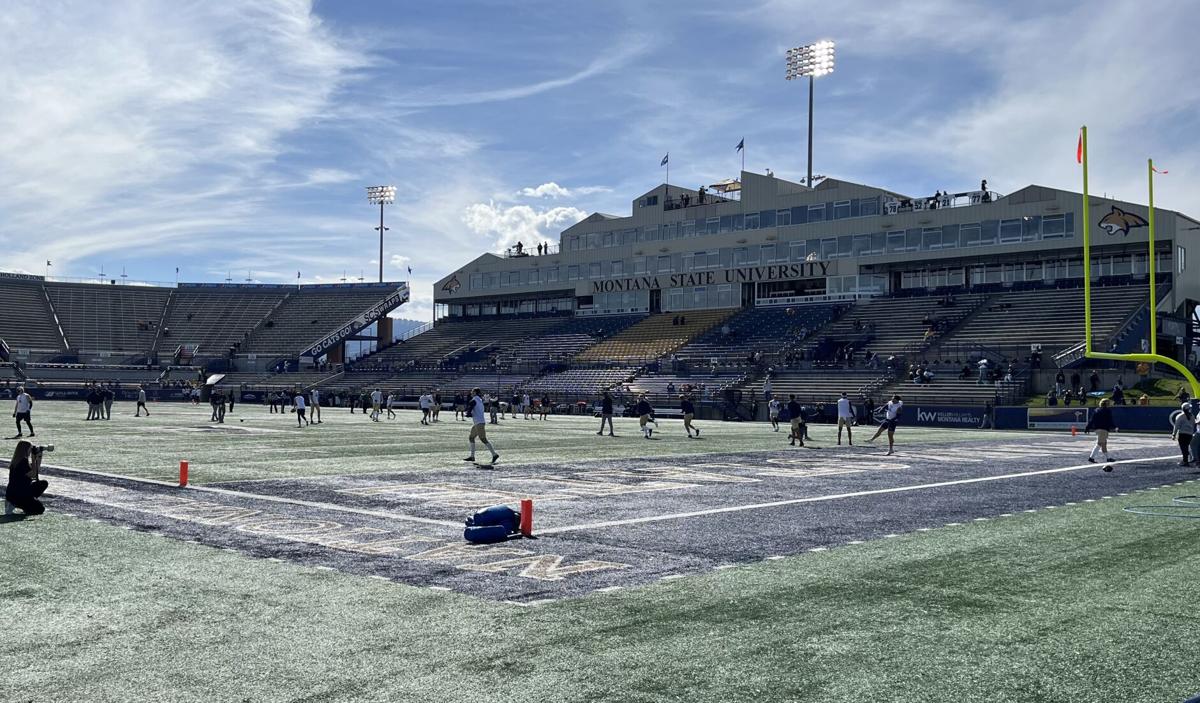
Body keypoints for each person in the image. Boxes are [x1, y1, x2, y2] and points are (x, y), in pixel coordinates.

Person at [5, 441, 49, 517]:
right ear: (25, 449)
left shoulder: (19, 460)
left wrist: (39, 456)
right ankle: (15, 503)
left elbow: (36, 469)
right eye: (30, 448)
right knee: (39, 509)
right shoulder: (23, 462)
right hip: (18, 494)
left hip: (19, 491)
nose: (31, 450)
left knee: (43, 483)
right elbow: (34, 474)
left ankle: (28, 502)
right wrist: (33, 458)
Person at [464, 388, 499, 465]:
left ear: (475, 392)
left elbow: (470, 407)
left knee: (483, 439)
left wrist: (468, 413)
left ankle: (494, 454)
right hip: (478, 422)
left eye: (472, 391)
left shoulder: (474, 400)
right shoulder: (479, 400)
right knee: (471, 437)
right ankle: (472, 456)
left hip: (479, 422)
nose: (471, 392)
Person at [1085, 398, 1117, 464]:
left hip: (1097, 429)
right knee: (1101, 444)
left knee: (1103, 444)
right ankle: (1092, 458)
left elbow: (1092, 420)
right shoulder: (1107, 411)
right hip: (1103, 429)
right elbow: (1110, 420)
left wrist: (1088, 427)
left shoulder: (1096, 410)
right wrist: (1114, 427)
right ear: (1106, 404)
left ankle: (1107, 458)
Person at [1170, 401, 1194, 466]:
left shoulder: (1180, 416)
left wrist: (1174, 434)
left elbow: (1176, 426)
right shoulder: (1192, 416)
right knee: (1186, 447)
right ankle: (1187, 458)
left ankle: (1185, 461)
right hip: (1190, 434)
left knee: (1183, 447)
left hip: (1182, 434)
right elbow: (1193, 425)